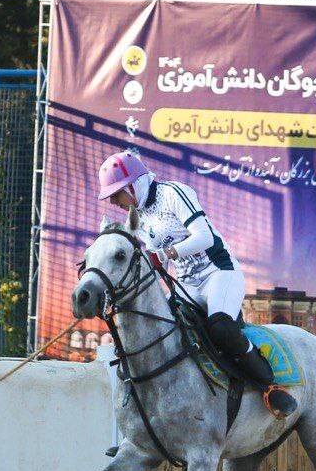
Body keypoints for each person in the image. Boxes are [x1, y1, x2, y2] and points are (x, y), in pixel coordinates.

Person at [97, 150, 296, 417]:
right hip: (187, 286)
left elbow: (204, 238)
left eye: (116, 193)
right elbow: (159, 266)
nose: (112, 201)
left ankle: (271, 387)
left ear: (133, 185)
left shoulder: (173, 193)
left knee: (222, 329)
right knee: (161, 327)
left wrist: (167, 253)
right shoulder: (139, 218)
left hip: (218, 273)